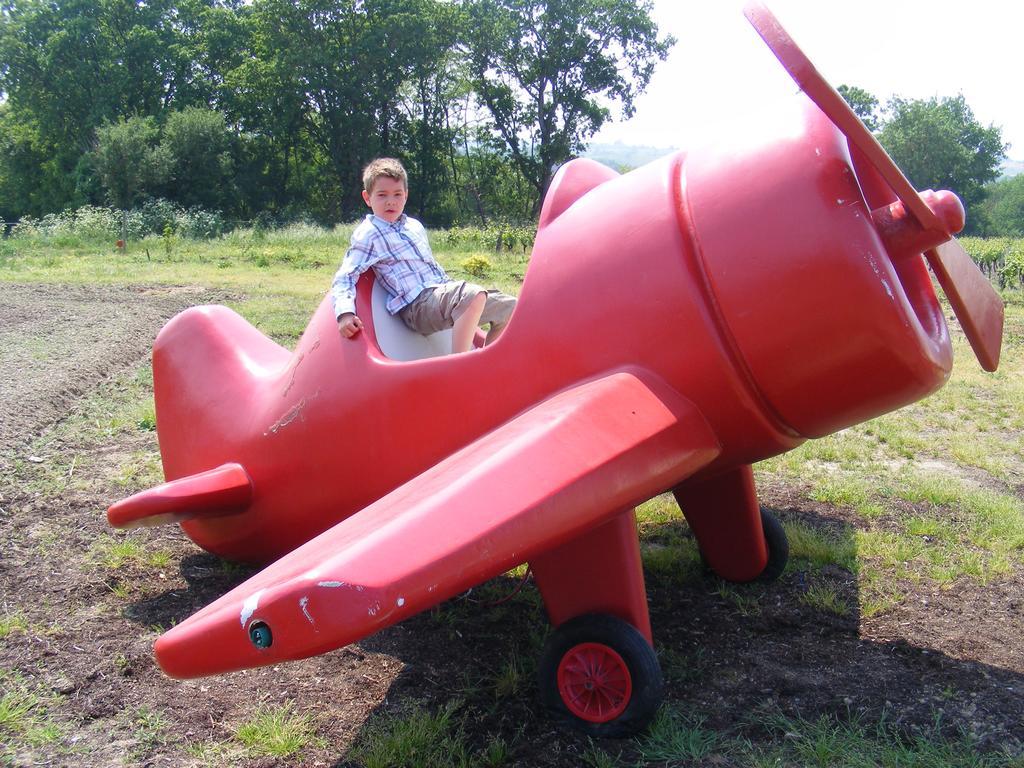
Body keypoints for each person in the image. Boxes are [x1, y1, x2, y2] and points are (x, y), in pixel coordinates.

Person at [331, 158, 516, 354]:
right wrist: (345, 313)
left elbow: (430, 266)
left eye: (397, 194)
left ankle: (488, 366)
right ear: (367, 198)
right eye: (382, 195)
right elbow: (345, 276)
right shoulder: (369, 233)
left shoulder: (414, 226)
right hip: (416, 306)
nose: (391, 201)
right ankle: (461, 370)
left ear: (406, 196)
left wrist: (450, 289)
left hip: (439, 293)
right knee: (471, 296)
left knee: (510, 308)